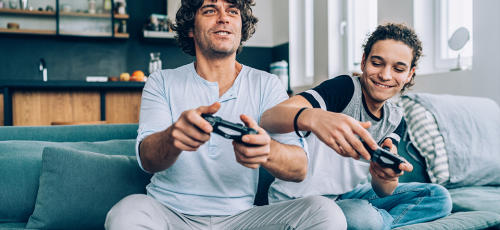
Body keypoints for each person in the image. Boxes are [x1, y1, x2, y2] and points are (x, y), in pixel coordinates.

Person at [105, 0, 346, 229]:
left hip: (242, 218)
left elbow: (300, 168)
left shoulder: (267, 84)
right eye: (210, 10)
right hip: (169, 213)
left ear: (241, 27)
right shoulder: (161, 81)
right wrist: (173, 137)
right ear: (190, 27)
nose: (224, 18)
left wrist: (268, 151)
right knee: (125, 214)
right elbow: (147, 160)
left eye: (232, 11)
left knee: (326, 213)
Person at [260, 22, 452, 230]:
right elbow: (269, 117)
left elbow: (383, 191)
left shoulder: (395, 119)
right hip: (298, 201)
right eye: (377, 63)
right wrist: (314, 117)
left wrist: (385, 176)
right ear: (363, 61)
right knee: (365, 219)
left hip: (343, 196)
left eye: (398, 68)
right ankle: (375, 221)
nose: (385, 75)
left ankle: (377, 222)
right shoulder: (345, 89)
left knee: (438, 196)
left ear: (409, 75)